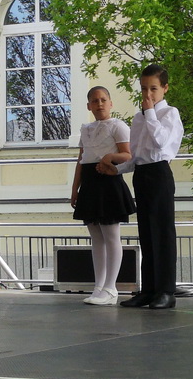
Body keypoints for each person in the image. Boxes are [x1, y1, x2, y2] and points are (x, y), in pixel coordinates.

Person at [100, 64, 184, 309]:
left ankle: (166, 291)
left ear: (165, 88)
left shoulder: (169, 114)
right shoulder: (138, 118)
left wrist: (150, 113)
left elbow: (160, 144)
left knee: (163, 233)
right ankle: (148, 290)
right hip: (142, 174)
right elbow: (137, 156)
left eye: (153, 89)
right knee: (146, 233)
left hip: (160, 173)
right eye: (144, 88)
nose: (148, 94)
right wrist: (117, 170)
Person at [69, 86, 135, 306]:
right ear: (89, 106)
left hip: (108, 182)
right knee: (96, 237)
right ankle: (99, 286)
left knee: (111, 235)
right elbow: (81, 161)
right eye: (95, 101)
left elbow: (128, 155)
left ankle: (111, 288)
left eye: (103, 100)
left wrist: (109, 157)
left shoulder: (118, 126)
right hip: (90, 184)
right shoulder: (86, 129)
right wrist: (75, 189)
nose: (99, 104)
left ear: (110, 103)